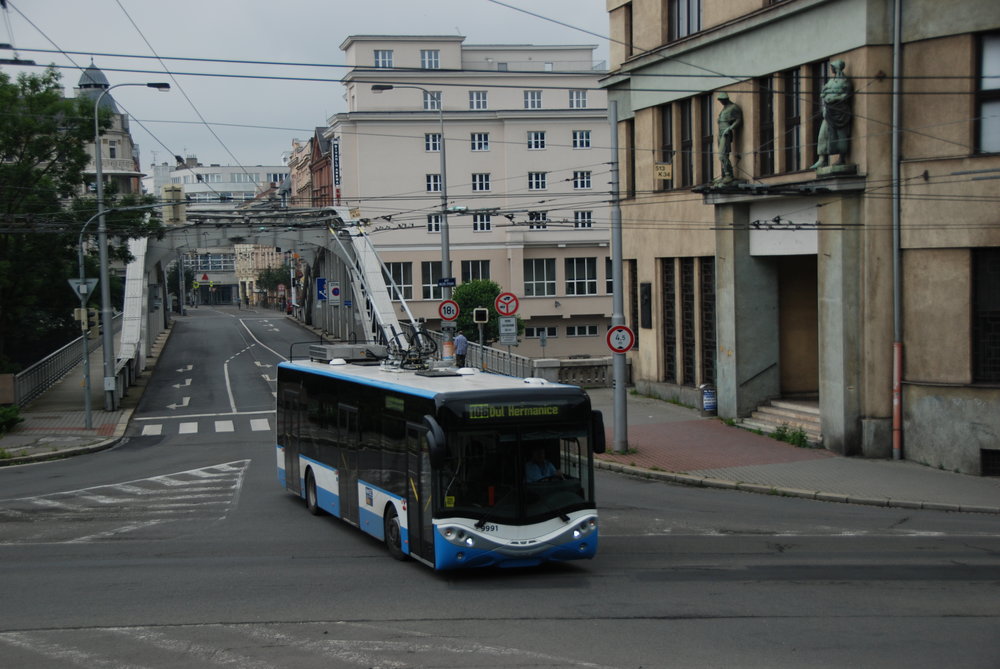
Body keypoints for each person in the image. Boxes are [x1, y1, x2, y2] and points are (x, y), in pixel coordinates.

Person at [811, 60, 853, 169]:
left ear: (837, 67)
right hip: (830, 111)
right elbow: (823, 92)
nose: (831, 69)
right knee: (823, 135)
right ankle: (822, 159)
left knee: (841, 135)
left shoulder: (845, 81)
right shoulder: (831, 81)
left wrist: (834, 98)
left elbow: (846, 95)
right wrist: (826, 96)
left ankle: (841, 158)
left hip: (841, 112)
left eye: (833, 67)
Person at [715, 92, 742, 184]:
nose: (720, 102)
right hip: (720, 132)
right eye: (720, 100)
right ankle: (724, 175)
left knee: (722, 155)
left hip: (725, 132)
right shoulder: (724, 108)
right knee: (722, 155)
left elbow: (738, 119)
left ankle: (728, 175)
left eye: (721, 100)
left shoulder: (733, 107)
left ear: (726, 99)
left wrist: (730, 128)